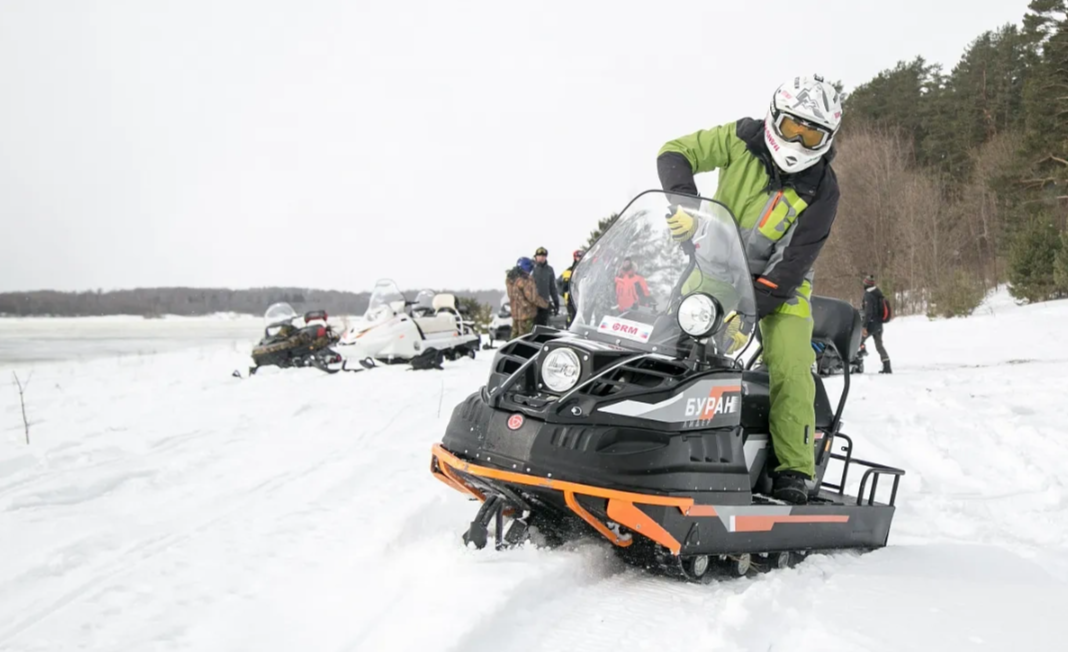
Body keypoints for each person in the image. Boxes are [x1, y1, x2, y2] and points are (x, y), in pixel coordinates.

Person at [657, 74, 843, 505]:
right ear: (774, 118)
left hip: (782, 289)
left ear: (827, 137)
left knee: (792, 367)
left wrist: (745, 310)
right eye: (792, 126)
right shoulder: (742, 137)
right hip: (717, 269)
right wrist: (688, 205)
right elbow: (675, 153)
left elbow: (795, 262)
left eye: (811, 132)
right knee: (668, 341)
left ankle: (794, 468)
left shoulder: (823, 189)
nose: (798, 139)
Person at [506, 257, 548, 338]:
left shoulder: (510, 279)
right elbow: (532, 297)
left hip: (516, 314)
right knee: (526, 338)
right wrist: (545, 304)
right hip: (527, 314)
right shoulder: (526, 279)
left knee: (514, 338)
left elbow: (511, 295)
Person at [861, 274, 892, 374]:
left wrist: (864, 326)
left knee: (858, 341)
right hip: (879, 324)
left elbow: (868, 312)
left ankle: (857, 358)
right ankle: (887, 365)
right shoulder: (878, 293)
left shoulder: (868, 295)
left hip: (871, 324)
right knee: (879, 345)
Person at [531, 247, 560, 326]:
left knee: (542, 326)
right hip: (533, 304)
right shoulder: (531, 269)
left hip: (544, 303)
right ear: (536, 257)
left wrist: (556, 301)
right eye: (539, 256)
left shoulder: (549, 270)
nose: (541, 258)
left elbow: (552, 287)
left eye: (543, 256)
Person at [560, 249, 585, 326]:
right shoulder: (569, 270)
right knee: (572, 317)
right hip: (571, 299)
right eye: (578, 257)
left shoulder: (586, 269)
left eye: (581, 257)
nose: (580, 258)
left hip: (583, 299)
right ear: (574, 257)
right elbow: (564, 286)